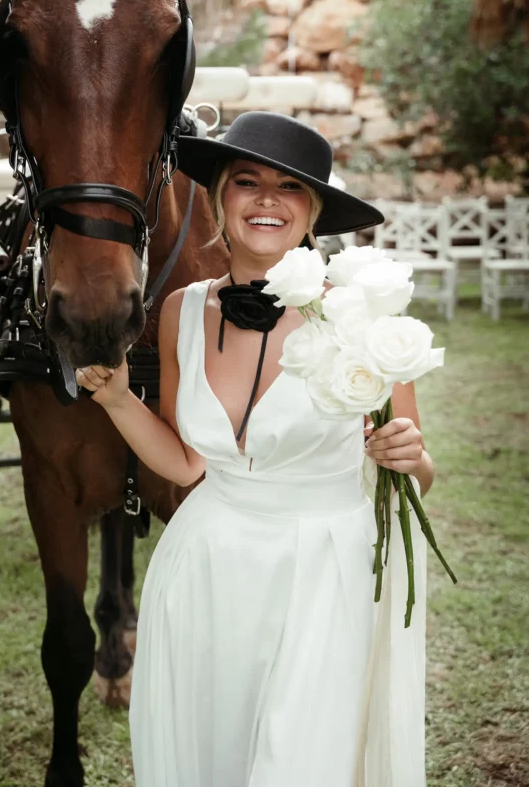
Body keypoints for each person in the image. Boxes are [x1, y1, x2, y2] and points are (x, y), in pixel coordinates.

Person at [76, 112, 433, 787]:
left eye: (290, 187)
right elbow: (187, 462)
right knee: (214, 749)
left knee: (302, 760)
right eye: (247, 181)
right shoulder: (181, 310)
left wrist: (411, 457)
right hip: (205, 570)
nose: (268, 199)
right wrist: (120, 400)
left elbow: (416, 472)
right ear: (218, 198)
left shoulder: (362, 314)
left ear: (314, 211)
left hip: (324, 572)